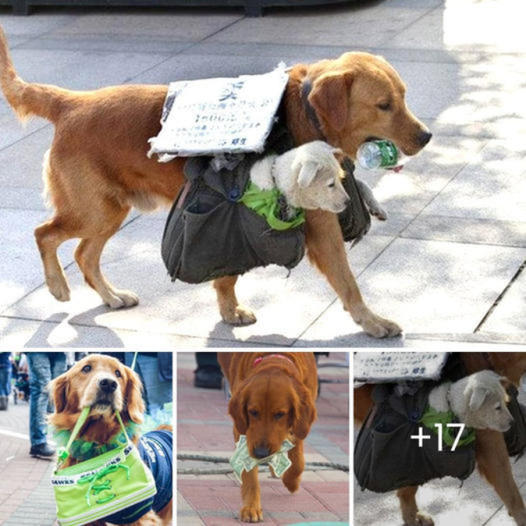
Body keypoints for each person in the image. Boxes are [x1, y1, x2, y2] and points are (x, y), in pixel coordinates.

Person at [27, 352, 66, 458]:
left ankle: (51, 436)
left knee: (57, 389)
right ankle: (38, 442)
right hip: (37, 347)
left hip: (62, 347)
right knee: (43, 388)